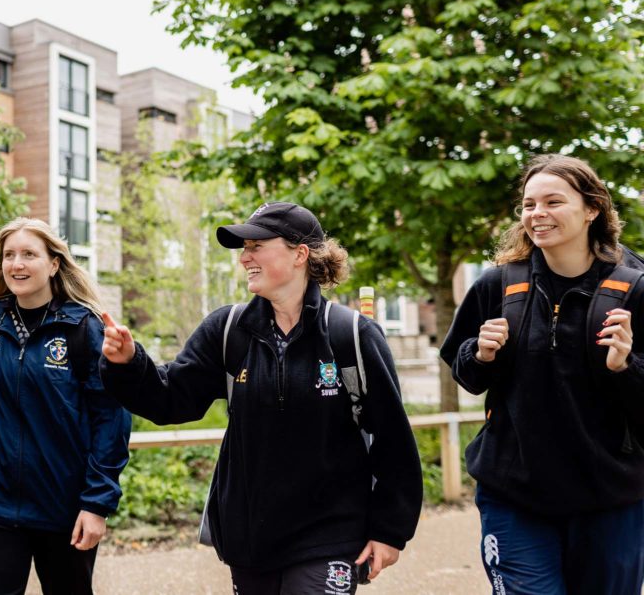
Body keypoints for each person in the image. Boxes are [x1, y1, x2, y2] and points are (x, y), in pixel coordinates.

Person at [100, 202, 422, 595]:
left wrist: (390, 530)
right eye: (243, 248)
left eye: (256, 246)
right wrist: (129, 363)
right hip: (251, 542)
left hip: (330, 535)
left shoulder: (350, 334)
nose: (244, 258)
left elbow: (394, 442)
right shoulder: (228, 330)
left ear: (299, 254)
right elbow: (170, 399)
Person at [440, 154, 644, 595]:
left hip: (611, 498)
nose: (538, 214)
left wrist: (626, 367)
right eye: (529, 205)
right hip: (515, 495)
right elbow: (467, 374)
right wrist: (481, 354)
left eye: (553, 202)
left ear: (592, 209)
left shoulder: (635, 288)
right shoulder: (497, 285)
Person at [0, 218, 131, 595]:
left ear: (54, 264)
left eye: (29, 254)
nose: (17, 264)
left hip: (64, 511)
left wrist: (96, 503)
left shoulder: (83, 330)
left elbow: (110, 421)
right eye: (9, 256)